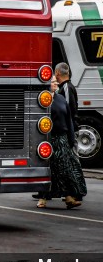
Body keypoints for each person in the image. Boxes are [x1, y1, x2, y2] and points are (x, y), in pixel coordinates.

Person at [36, 75, 87, 209]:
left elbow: (68, 119)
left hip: (62, 139)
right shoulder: (42, 100)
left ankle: (69, 197)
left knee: (65, 169)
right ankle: (44, 197)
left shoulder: (61, 99)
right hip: (48, 140)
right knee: (50, 169)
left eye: (55, 82)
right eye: (53, 82)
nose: (56, 84)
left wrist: (71, 138)